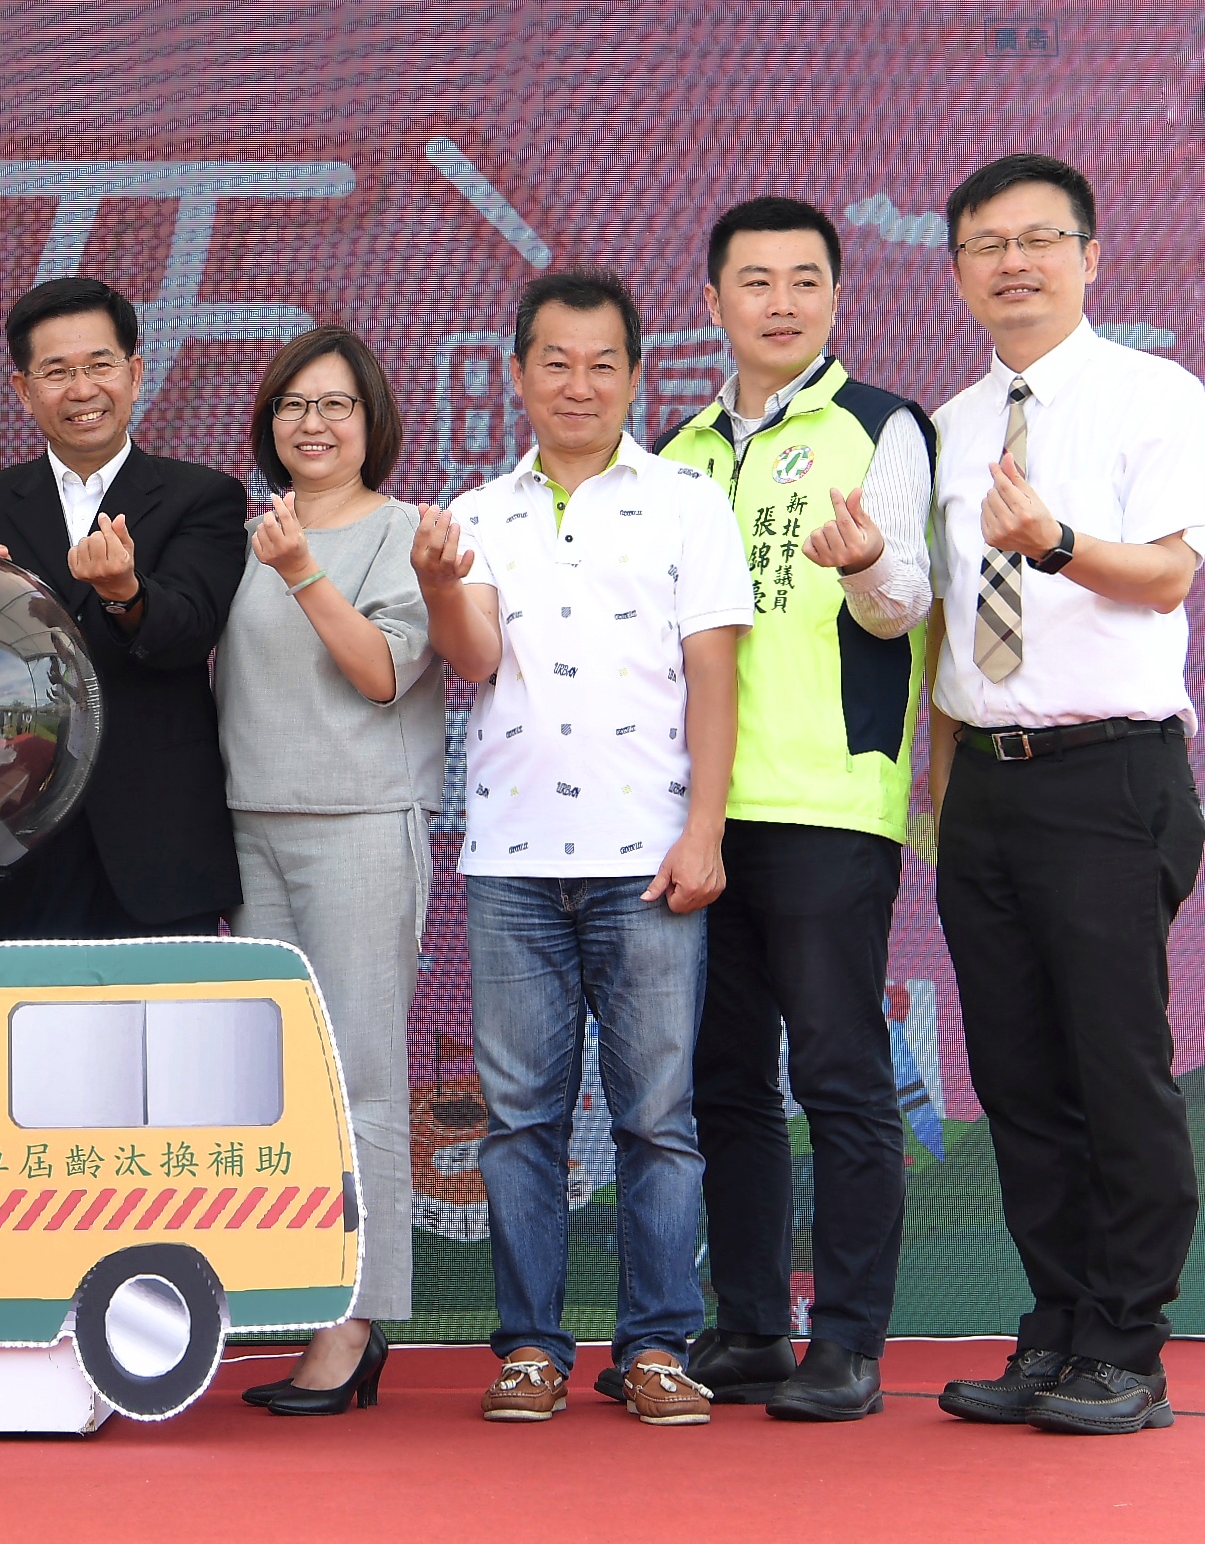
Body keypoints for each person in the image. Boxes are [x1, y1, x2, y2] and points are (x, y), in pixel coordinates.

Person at [413, 269, 752, 1427]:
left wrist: (703, 828)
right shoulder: (477, 512)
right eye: (554, 361)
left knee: (658, 1117)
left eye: (602, 362)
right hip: (511, 859)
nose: (578, 383)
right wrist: (437, 581)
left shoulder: (686, 502)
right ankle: (529, 1348)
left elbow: (715, 675)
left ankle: (655, 1344)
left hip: (647, 855)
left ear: (635, 375)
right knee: (520, 1121)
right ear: (516, 373)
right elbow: (472, 660)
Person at [924, 154, 1205, 1437]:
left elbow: (1167, 574)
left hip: (1108, 772)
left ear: (1090, 257)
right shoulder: (949, 424)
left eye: (1039, 239)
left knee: (1114, 1062)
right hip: (985, 787)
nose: (1014, 262)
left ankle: (1128, 1343)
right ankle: (1054, 1325)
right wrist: (942, 797)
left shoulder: (1157, 396)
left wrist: (1053, 541)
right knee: (1017, 1075)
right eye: (987, 244)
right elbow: (941, 625)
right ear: (957, 273)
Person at [645, 197, 936, 1420]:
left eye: (804, 280)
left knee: (837, 1071)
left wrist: (863, 561)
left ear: (835, 296)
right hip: (700, 811)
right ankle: (755, 1324)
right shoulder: (674, 451)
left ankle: (851, 1339)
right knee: (723, 1081)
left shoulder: (880, 424)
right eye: (754, 281)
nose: (780, 301)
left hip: (826, 802)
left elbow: (906, 603)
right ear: (711, 302)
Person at [214, 328, 436, 1416]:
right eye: (293, 405)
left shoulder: (403, 534)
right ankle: (310, 1298)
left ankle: (356, 1320)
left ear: (371, 420)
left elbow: (383, 671)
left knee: (362, 1076)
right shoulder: (248, 535)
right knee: (284, 1086)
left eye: (336, 404)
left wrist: (302, 573)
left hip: (357, 822)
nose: (313, 423)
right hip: (249, 823)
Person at [0, 277, 248, 939]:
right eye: (56, 372)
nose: (82, 390)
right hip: (18, 834)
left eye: (100, 365)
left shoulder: (203, 496)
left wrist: (124, 594)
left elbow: (190, 632)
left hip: (158, 838)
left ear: (134, 374)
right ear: (23, 390)